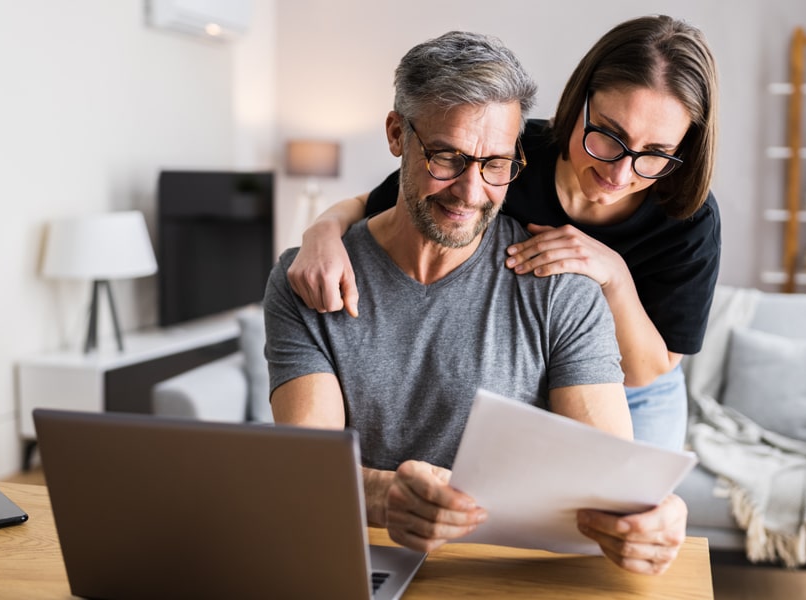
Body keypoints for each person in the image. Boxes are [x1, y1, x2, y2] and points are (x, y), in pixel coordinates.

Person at [265, 30, 686, 576]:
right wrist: (382, 496)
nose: (470, 192)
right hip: (359, 565)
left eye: (496, 164)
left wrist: (660, 514)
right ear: (397, 135)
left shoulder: (561, 285)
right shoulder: (311, 278)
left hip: (501, 577)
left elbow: (611, 483)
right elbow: (305, 469)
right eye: (447, 157)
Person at [287, 15, 721, 453]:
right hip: (545, 367)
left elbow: (648, 370)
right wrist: (321, 232)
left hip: (638, 390)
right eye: (608, 135)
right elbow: (378, 203)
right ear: (579, 103)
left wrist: (614, 275)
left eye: (656, 153)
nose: (620, 171)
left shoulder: (688, 215)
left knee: (630, 508)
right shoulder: (504, 152)